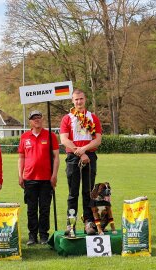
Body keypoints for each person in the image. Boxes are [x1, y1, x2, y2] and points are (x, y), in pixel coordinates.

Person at [59, 89, 102, 236]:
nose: (79, 102)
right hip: (73, 158)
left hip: (90, 156)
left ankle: (88, 222)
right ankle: (71, 224)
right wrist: (80, 152)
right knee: (73, 193)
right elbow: (64, 139)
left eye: (81, 99)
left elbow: (98, 139)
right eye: (76, 99)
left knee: (88, 192)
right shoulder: (67, 118)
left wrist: (84, 150)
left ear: (85, 99)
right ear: (72, 101)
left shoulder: (93, 118)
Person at [18, 110, 59, 245]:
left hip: (46, 179)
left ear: (42, 119)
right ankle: (32, 236)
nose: (36, 120)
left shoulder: (50, 135)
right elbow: (21, 157)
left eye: (39, 117)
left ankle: (43, 235)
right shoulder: (24, 137)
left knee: (44, 209)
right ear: (30, 121)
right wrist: (20, 175)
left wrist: (54, 175)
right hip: (29, 178)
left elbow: (56, 157)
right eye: (33, 118)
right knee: (31, 209)